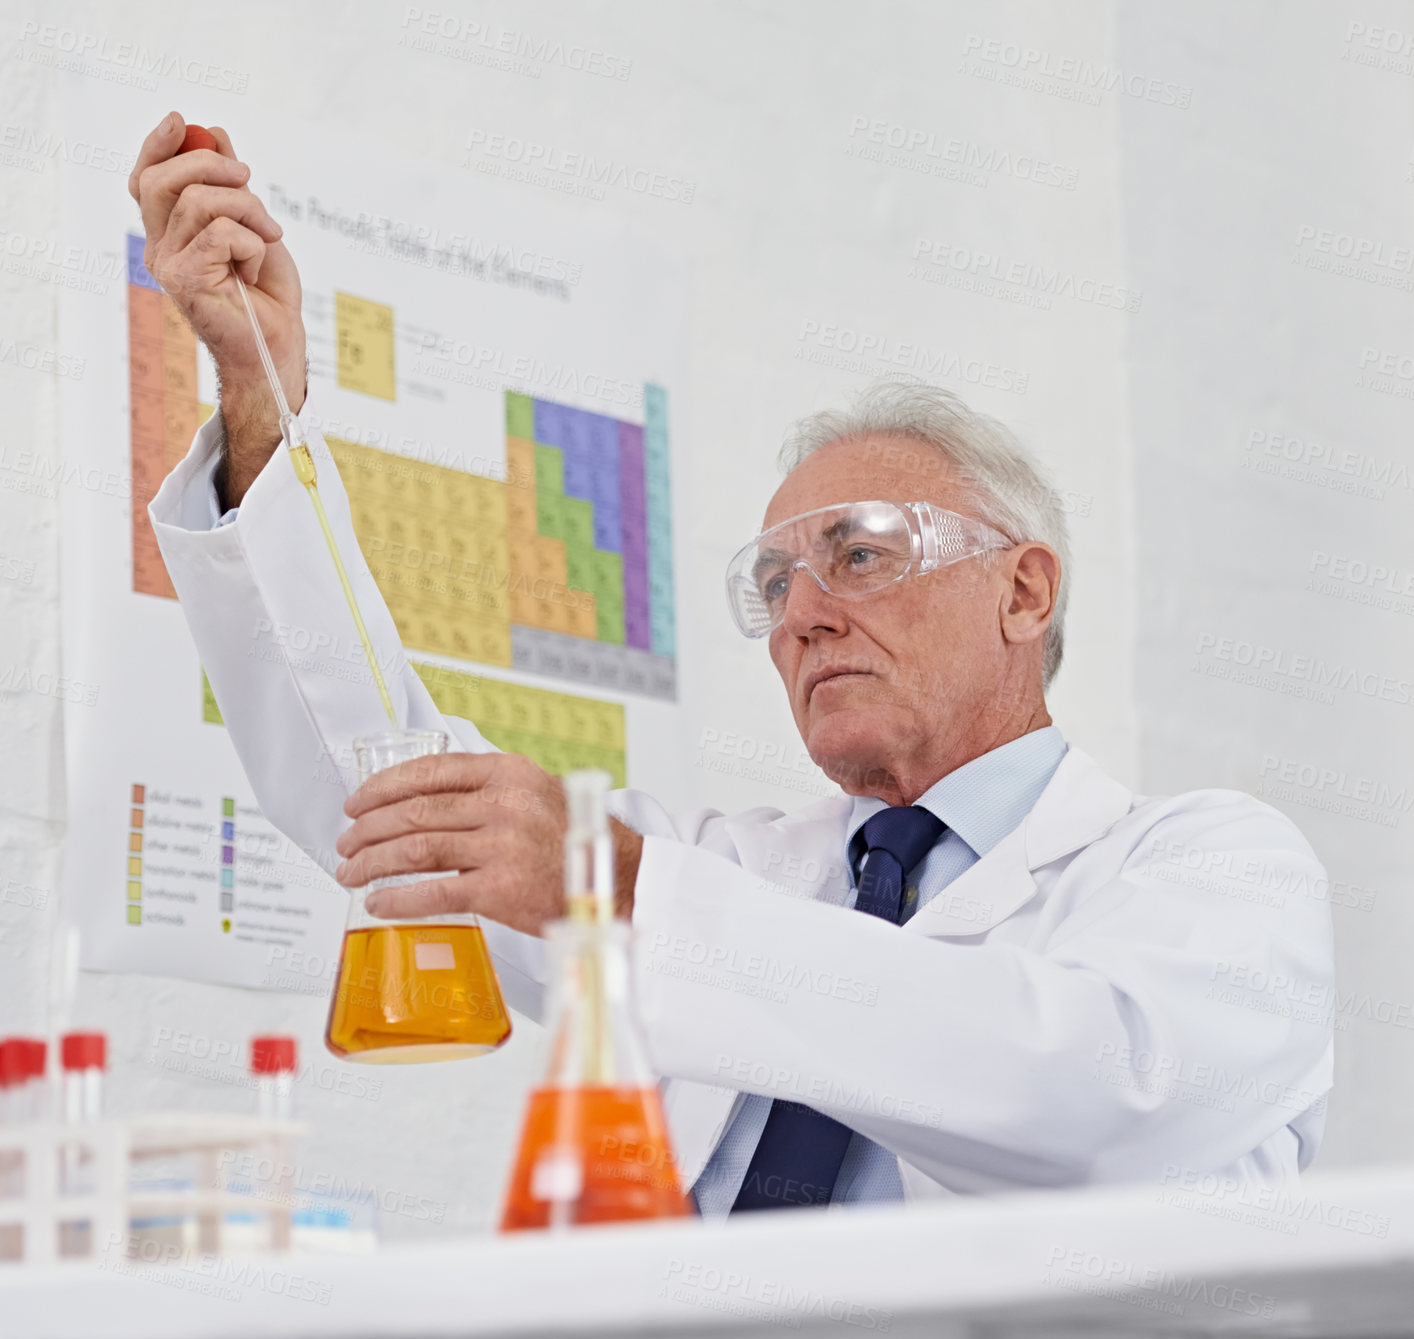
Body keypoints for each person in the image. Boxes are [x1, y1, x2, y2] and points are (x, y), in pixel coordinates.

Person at [133, 112, 1334, 1217]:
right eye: (774, 582)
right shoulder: (741, 871)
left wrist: (621, 889)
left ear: (1023, 589)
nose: (801, 612)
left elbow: (1098, 1095)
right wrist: (256, 390)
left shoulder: (1214, 872)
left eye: (861, 555)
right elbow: (385, 780)